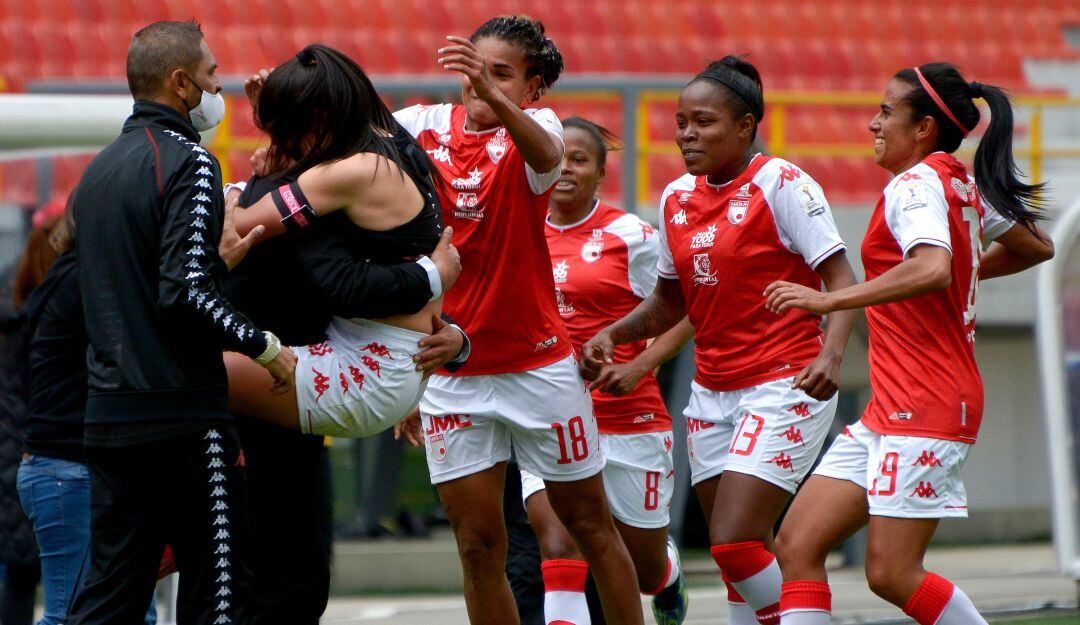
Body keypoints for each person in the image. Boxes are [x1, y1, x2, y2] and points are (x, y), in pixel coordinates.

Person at [765, 62, 1054, 625]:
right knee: (797, 544)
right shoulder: (954, 181)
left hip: (924, 406)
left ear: (923, 128)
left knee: (892, 573)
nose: (873, 123)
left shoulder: (915, 184)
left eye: (885, 111)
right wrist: (966, 271)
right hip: (888, 411)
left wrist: (826, 301)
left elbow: (932, 268)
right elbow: (1035, 245)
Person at [582, 56, 858, 625]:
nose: (686, 133)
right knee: (739, 555)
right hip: (711, 392)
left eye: (703, 122)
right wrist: (614, 332)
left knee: (732, 543)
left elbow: (841, 281)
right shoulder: (675, 198)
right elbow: (669, 302)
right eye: (681, 121)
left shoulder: (781, 183)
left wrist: (831, 353)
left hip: (785, 381)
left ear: (745, 125)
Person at [391, 16, 644, 624]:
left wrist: (497, 98)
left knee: (589, 526)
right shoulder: (420, 126)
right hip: (454, 373)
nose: (478, 83)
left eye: (500, 74)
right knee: (479, 547)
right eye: (473, 69)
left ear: (532, 88)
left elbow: (549, 155)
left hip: (539, 369)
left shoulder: (540, 132)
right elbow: (350, 151)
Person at [69, 20, 296, 625]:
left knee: (109, 594)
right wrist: (265, 346)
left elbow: (137, 288)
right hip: (184, 420)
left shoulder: (96, 173)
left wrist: (212, 267)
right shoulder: (191, 162)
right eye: (213, 74)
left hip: (109, 417)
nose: (219, 86)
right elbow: (183, 294)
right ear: (180, 83)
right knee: (219, 591)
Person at [226, 44, 463, 439]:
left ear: (318, 118)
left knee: (187, 371)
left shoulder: (350, 172)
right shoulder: (388, 135)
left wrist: (238, 190)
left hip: (367, 371)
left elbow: (237, 229)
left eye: (287, 132)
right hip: (391, 360)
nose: (281, 146)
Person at [519, 116, 694, 625]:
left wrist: (639, 366)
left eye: (581, 159)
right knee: (558, 542)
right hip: (548, 414)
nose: (567, 168)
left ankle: (665, 573)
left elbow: (688, 309)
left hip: (628, 419)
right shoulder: (519, 232)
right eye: (559, 158)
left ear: (600, 173)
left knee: (640, 567)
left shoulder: (633, 235)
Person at [17, 207, 159, 625]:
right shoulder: (88, 282)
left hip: (66, 468)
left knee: (118, 612)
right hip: (69, 467)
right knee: (72, 613)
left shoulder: (66, 278)